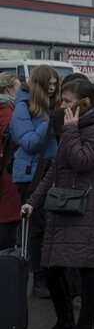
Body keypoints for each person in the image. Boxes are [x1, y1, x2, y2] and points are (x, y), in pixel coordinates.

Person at [21, 78, 94, 329]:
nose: (61, 105)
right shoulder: (72, 124)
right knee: (51, 266)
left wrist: (71, 131)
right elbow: (56, 170)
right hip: (62, 204)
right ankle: (64, 321)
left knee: (87, 268)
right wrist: (33, 200)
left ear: (83, 103)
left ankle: (86, 327)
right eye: (61, 100)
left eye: (67, 101)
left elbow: (83, 161)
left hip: (87, 207)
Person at [10, 65, 60, 299]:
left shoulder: (51, 105)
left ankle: (50, 275)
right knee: (36, 228)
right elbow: (29, 143)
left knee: (50, 226)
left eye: (55, 84)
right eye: (49, 84)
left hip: (51, 172)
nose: (52, 88)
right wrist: (49, 121)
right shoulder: (22, 107)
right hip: (31, 175)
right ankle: (38, 278)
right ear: (38, 84)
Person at [0, 73, 21, 249]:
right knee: (7, 216)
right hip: (7, 169)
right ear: (8, 89)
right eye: (18, 88)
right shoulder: (7, 110)